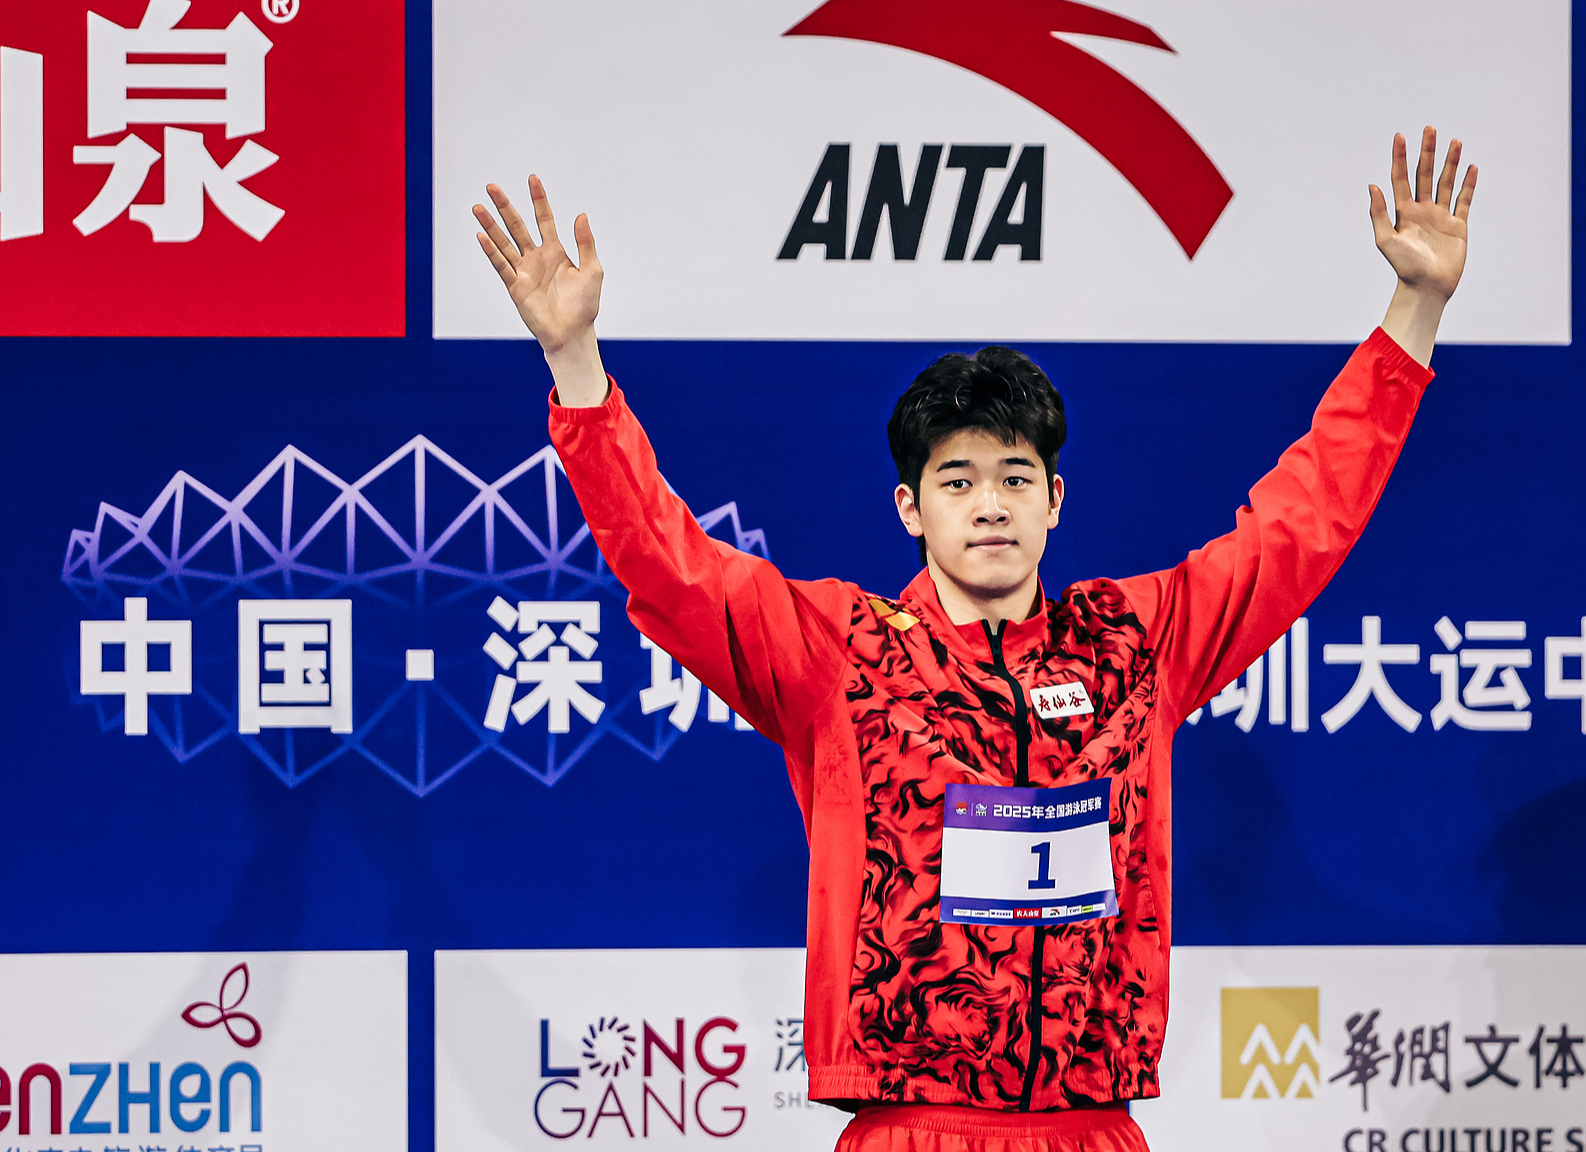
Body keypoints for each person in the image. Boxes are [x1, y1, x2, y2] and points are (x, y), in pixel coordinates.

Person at [473, 128, 1476, 1152]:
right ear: (909, 507)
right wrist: (574, 359)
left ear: (1055, 500)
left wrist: (1415, 310)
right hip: (914, 1126)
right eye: (956, 481)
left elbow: (1301, 524)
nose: (988, 505)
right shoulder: (839, 650)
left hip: (1092, 1127)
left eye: (1014, 478)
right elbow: (667, 563)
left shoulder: (1137, 641)